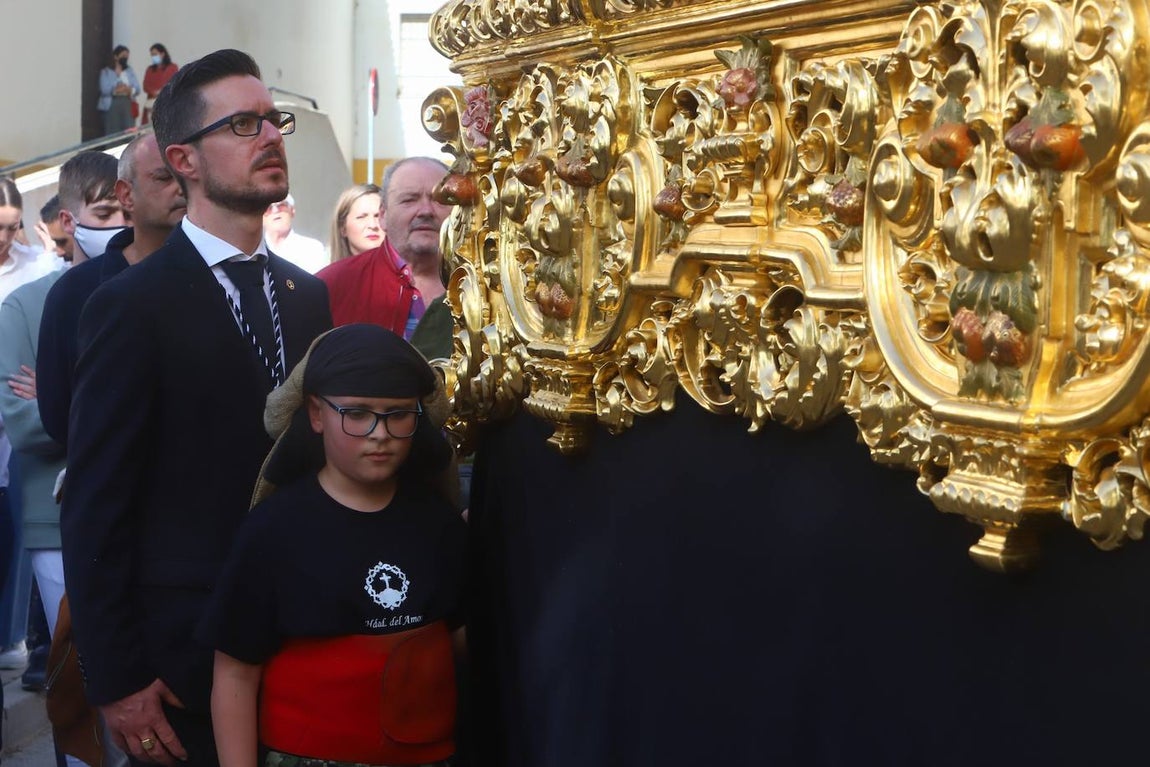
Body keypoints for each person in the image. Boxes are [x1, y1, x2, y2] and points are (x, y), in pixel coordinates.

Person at [61, 48, 331, 767]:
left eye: (274, 120)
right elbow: (95, 500)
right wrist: (116, 678)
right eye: (243, 124)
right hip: (181, 648)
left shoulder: (309, 296)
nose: (270, 135)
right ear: (183, 158)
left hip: (302, 631)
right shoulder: (130, 305)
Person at [198, 323, 465, 767]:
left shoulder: (438, 523)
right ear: (316, 414)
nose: (380, 433)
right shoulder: (273, 531)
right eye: (357, 413)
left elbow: (465, 641)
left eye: (398, 413)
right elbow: (234, 675)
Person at [35, 151, 125, 448]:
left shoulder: (149, 282)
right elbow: (53, 417)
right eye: (104, 214)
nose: (122, 223)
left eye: (128, 211)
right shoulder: (51, 298)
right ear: (68, 221)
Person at [318, 159, 450, 338]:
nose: (426, 211)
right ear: (383, 215)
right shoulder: (329, 287)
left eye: (439, 200)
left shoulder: (485, 284)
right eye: (409, 200)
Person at [262, 194, 326, 273]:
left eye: (282, 205)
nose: (275, 210)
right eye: (268, 207)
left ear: (292, 211)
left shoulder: (313, 249)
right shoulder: (253, 252)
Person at [327, 182, 382, 262]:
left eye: (378, 216)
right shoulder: (325, 272)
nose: (373, 225)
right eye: (361, 217)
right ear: (343, 227)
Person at [98, 45, 141, 135]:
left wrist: (129, 89)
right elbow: (104, 89)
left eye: (127, 56)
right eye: (123, 55)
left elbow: (137, 88)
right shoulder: (106, 72)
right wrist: (117, 89)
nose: (125, 58)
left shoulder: (129, 71)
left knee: (128, 130)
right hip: (112, 104)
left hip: (127, 103)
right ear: (116, 56)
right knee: (113, 131)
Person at [141, 43, 178, 126]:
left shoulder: (172, 67)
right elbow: (145, 86)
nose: (153, 57)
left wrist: (161, 91)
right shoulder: (150, 69)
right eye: (152, 55)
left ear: (162, 54)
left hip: (167, 103)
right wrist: (154, 92)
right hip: (151, 104)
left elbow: (174, 82)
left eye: (155, 54)